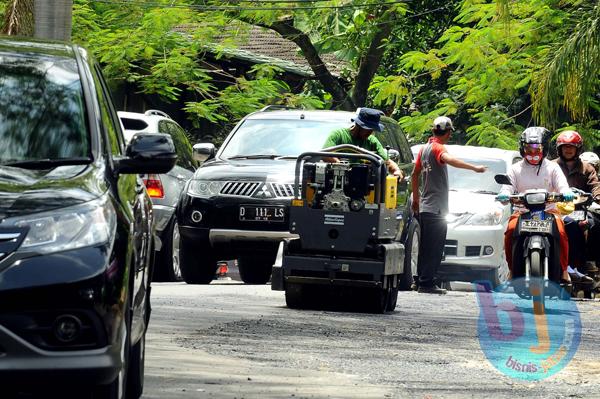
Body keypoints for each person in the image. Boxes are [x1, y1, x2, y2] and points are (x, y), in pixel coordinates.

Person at [411, 116, 487, 294]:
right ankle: (427, 283)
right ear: (449, 133)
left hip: (425, 207)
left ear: (433, 131)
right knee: (435, 247)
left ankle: (419, 280)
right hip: (436, 208)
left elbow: (415, 174)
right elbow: (449, 159)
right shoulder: (438, 148)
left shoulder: (424, 148)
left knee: (425, 247)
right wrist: (474, 168)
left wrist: (416, 199)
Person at [497, 127, 574, 283]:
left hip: (549, 211)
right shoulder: (515, 168)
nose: (532, 153)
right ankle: (512, 270)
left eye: (536, 149)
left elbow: (562, 186)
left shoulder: (552, 168)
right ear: (522, 148)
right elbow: (507, 187)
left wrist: (566, 193)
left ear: (544, 148)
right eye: (528, 148)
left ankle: (564, 270)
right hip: (522, 211)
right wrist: (504, 194)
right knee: (510, 230)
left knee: (561, 232)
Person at [554, 131, 600, 279]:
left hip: (580, 209)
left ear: (578, 149)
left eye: (571, 147)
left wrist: (597, 196)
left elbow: (595, 186)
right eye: (565, 147)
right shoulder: (551, 166)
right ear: (559, 149)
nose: (568, 150)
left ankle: (588, 262)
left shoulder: (587, 168)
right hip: (555, 208)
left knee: (593, 225)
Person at [322, 107, 403, 178]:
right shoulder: (338, 135)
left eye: (372, 129)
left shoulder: (372, 141)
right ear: (358, 125)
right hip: (336, 180)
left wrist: (397, 170)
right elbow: (325, 154)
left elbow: (385, 161)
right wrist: (340, 166)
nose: (370, 132)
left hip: (363, 184)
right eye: (367, 128)